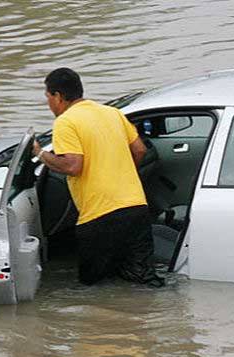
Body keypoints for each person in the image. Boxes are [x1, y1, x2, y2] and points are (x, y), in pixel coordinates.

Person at [33, 67, 164, 287]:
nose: (48, 104)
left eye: (47, 97)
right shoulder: (112, 113)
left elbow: (73, 166)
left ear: (58, 96)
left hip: (100, 216)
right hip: (136, 208)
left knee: (94, 286)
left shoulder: (66, 122)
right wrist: (124, 175)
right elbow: (140, 150)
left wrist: (40, 153)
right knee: (144, 279)